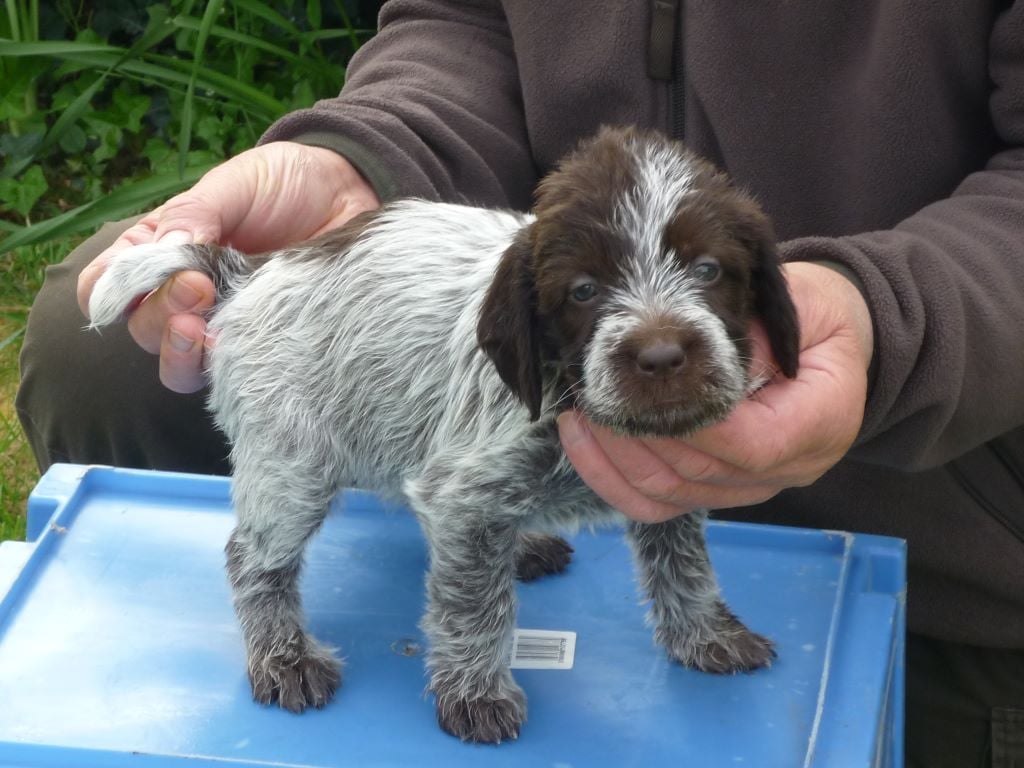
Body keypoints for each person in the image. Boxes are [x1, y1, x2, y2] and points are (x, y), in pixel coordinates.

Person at [16, 2, 1024, 765]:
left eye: (708, 274)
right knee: (275, 465)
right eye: (590, 293)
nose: (659, 339)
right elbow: (459, 17)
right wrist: (371, 149)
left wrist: (891, 324)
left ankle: (696, 619)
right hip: (308, 345)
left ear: (763, 285)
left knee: (643, 479)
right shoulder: (513, 340)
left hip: (954, 513)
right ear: (533, 323)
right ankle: (271, 619)